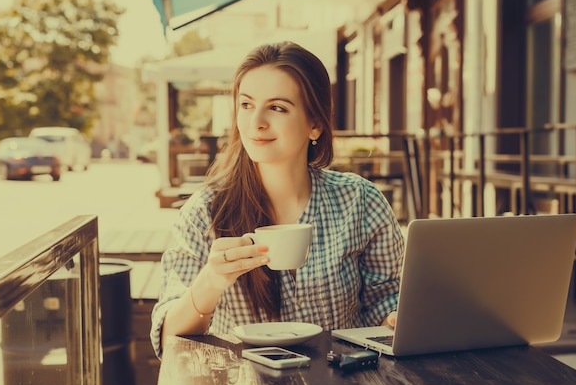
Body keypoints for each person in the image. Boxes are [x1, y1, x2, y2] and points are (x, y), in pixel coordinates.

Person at [151, 41, 405, 358]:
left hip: (342, 383)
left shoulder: (360, 200)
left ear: (315, 124)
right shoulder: (205, 212)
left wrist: (394, 318)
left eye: (277, 107)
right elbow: (168, 336)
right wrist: (210, 282)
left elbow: (386, 299)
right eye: (246, 105)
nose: (256, 121)